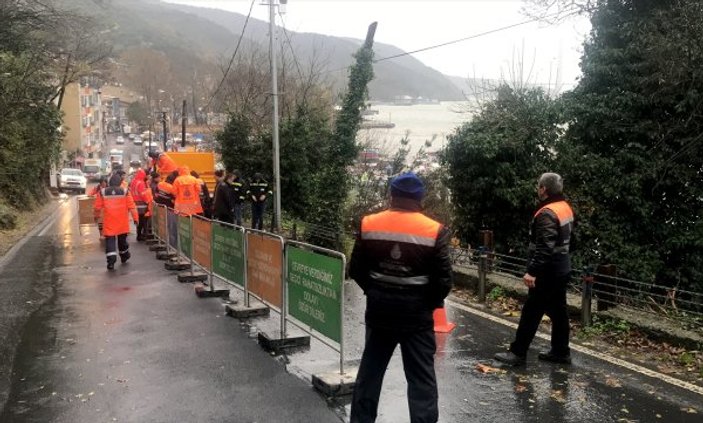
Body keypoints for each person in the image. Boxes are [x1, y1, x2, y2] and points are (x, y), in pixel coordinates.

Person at [349, 172, 453, 423]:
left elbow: (356, 270)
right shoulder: (434, 229)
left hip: (379, 311)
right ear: (420, 198)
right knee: (421, 380)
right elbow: (444, 281)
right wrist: (427, 303)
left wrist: (374, 292)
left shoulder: (369, 223)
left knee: (370, 375)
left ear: (392, 195)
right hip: (416, 317)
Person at [494, 172, 574, 366]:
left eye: (539, 186)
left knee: (532, 310)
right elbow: (572, 241)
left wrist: (533, 271)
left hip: (547, 272)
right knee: (558, 311)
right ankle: (561, 352)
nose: (538, 189)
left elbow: (545, 247)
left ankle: (518, 353)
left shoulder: (547, 212)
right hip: (561, 266)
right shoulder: (564, 207)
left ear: (543, 189)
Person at [94, 174, 139, 270]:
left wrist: (96, 217)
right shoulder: (125, 191)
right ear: (120, 183)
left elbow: (97, 208)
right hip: (122, 222)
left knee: (110, 241)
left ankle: (111, 261)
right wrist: (136, 219)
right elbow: (132, 207)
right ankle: (124, 256)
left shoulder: (102, 192)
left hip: (109, 222)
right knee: (122, 241)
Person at [129, 168, 149, 241]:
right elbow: (143, 194)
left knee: (138, 220)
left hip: (135, 203)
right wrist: (147, 201)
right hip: (141, 204)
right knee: (143, 221)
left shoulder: (133, 181)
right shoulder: (141, 183)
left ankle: (138, 235)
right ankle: (142, 236)